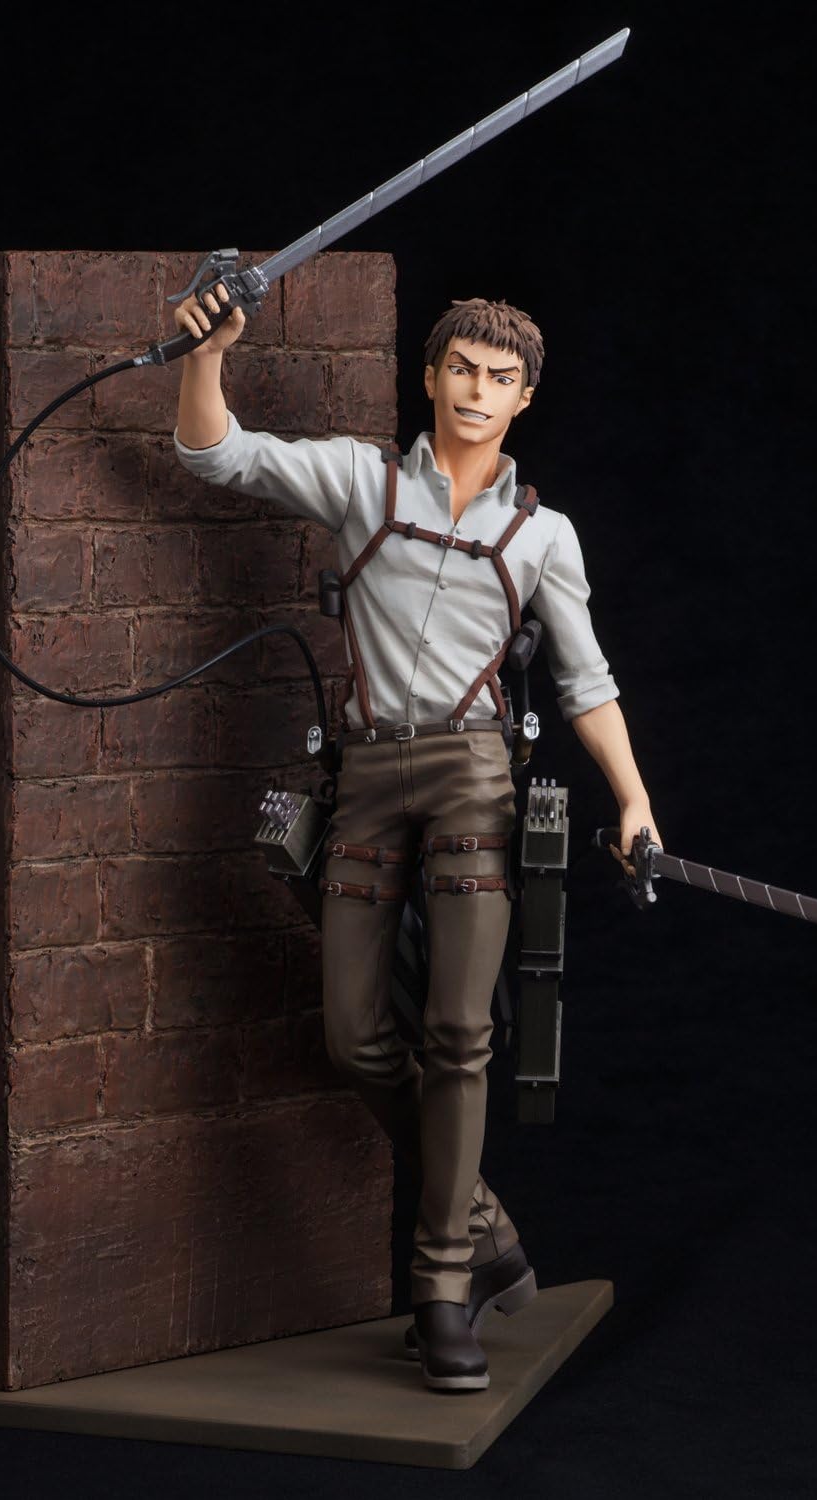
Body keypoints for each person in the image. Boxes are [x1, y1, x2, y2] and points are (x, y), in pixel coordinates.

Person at [172, 284, 664, 1391]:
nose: (478, 391)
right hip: (366, 775)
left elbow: (586, 681)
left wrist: (633, 797)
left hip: (472, 779)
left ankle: (443, 1285)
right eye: (464, 369)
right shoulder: (365, 482)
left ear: (524, 398)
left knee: (458, 1032)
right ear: (431, 376)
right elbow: (219, 454)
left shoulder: (543, 535)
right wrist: (208, 355)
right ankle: (483, 1224)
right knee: (354, 1035)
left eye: (501, 378)